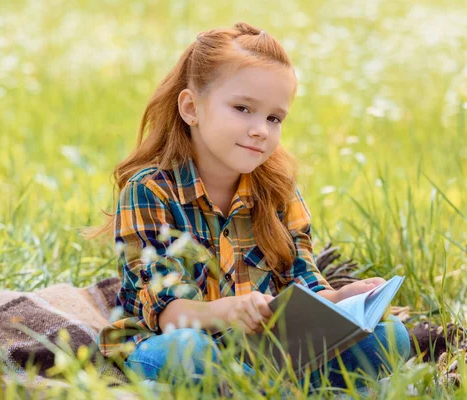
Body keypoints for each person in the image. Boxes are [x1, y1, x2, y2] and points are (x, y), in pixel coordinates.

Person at [91, 22, 411, 394]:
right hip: (173, 342)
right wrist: (230, 310)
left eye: (274, 118)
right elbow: (172, 316)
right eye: (243, 108)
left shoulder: (278, 191)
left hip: (265, 352)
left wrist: (342, 300)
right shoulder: (149, 191)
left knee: (393, 338)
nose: (261, 129)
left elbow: (303, 284)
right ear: (191, 108)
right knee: (187, 351)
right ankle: (267, 387)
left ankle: (252, 385)